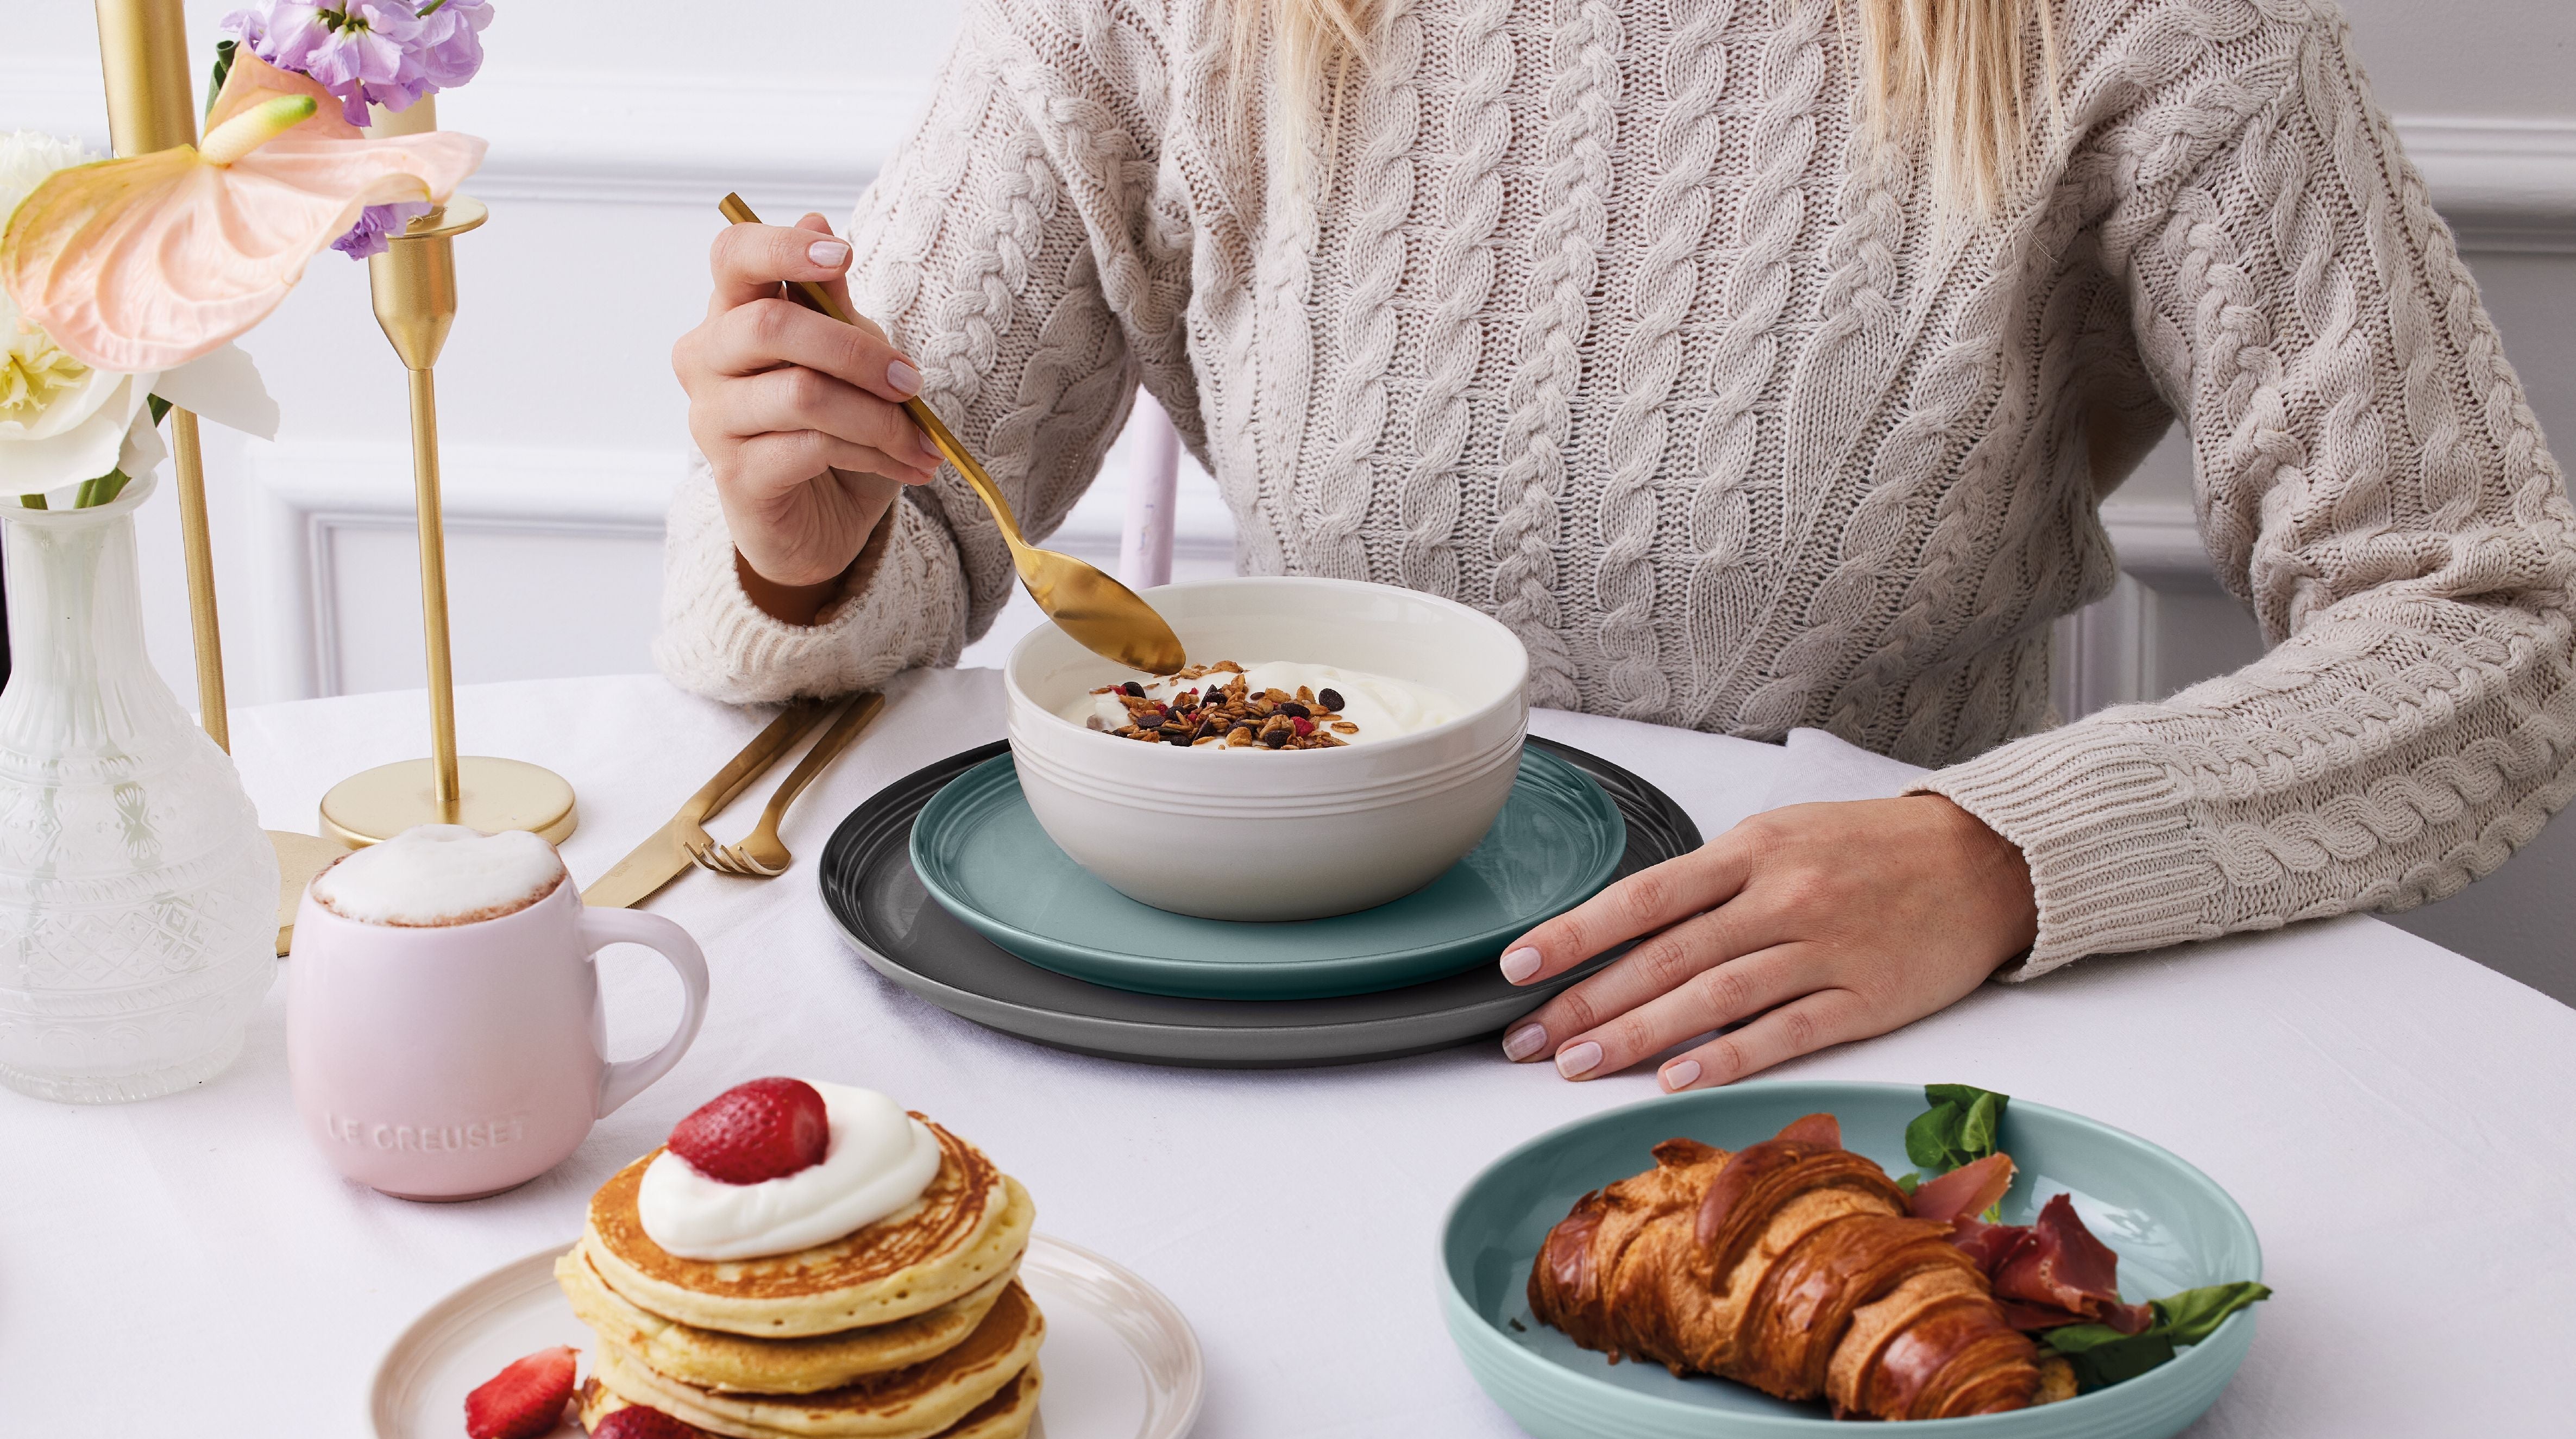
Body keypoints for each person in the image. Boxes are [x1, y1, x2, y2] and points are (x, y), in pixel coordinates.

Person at [660, 0, 2576, 1092]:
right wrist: (803, 543)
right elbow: (891, 562)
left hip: (1854, 1071)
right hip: (1263, 1041)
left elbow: (2494, 621)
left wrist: (2003, 855)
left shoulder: (2141, 24)